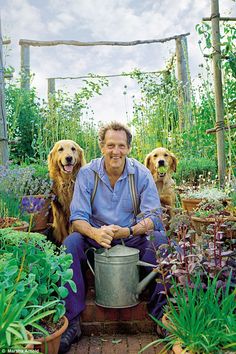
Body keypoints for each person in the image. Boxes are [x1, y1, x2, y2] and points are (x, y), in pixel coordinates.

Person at [59, 121, 168, 354]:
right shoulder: (88, 174)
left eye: (121, 145)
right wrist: (95, 232)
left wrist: (128, 231)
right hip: (96, 236)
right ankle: (72, 322)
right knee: (70, 244)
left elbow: (154, 217)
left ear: (128, 148)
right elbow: (77, 218)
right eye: (110, 145)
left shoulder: (141, 173)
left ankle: (162, 316)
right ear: (101, 146)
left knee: (161, 241)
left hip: (130, 236)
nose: (115, 151)